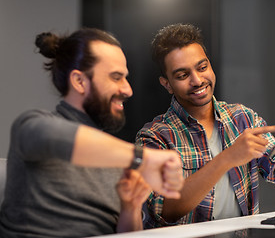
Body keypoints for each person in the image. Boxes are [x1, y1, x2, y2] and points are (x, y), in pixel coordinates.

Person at [135, 23, 275, 227]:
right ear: (167, 84)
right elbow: (164, 211)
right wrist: (227, 158)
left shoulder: (242, 118)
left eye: (202, 68)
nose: (197, 80)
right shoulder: (154, 137)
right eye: (183, 75)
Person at [0, 28, 184, 238]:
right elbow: (52, 136)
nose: (128, 90)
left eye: (125, 77)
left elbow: (126, 234)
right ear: (79, 81)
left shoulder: (114, 156)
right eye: (116, 77)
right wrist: (145, 158)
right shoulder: (32, 124)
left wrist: (130, 207)